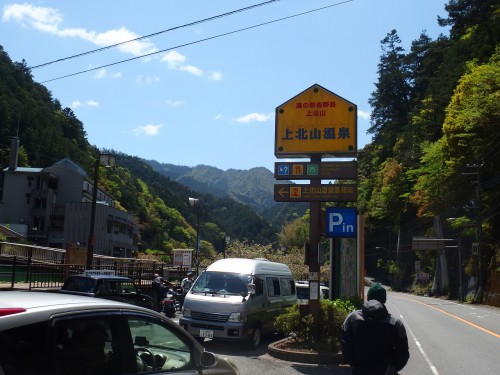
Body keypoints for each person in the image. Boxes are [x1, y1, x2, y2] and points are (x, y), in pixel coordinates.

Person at [341, 283, 409, 375]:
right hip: (386, 370)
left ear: (368, 297)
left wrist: (356, 364)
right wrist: (392, 368)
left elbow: (346, 346)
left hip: (360, 370)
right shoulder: (395, 323)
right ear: (384, 300)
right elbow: (403, 353)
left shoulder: (353, 318)